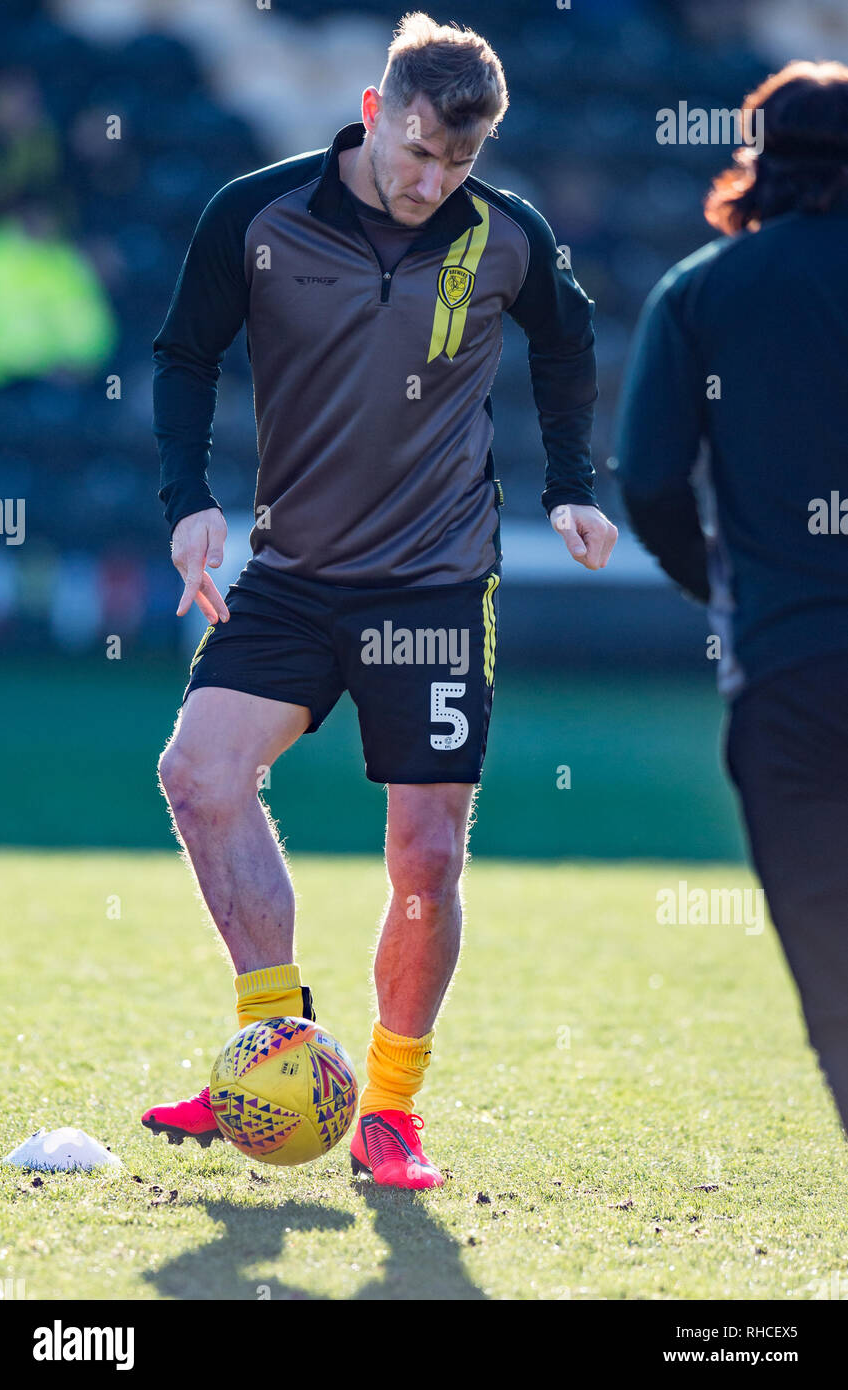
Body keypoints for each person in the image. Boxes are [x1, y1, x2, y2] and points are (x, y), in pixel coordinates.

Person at [143, 11, 617, 1188]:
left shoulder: (507, 236)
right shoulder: (254, 215)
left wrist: (569, 484)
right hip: (294, 575)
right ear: (373, 112)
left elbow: (567, 341)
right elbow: (183, 355)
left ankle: (390, 1111)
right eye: (415, 151)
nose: (430, 180)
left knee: (425, 857)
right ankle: (276, 1046)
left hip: (436, 586)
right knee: (198, 776)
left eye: (458, 161)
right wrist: (185, 501)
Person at [615, 61, 848, 1133]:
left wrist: (726, 586)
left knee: (833, 980)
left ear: (755, 162)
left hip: (789, 672)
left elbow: (651, 480)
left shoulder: (701, 291)